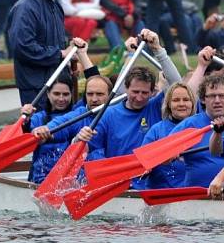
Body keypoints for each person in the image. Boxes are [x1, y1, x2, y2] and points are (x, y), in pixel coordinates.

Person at [78, 30, 182, 189]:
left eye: (144, 93)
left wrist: (158, 50)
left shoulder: (156, 107)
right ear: (126, 89)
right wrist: (80, 140)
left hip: (149, 183)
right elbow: (92, 149)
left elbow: (178, 86)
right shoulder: (108, 114)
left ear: (152, 92)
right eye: (135, 92)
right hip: (117, 184)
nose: (140, 97)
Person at [8, 0, 74, 108]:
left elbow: (57, 41)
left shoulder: (55, 5)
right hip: (35, 86)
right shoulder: (24, 9)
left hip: (58, 82)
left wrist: (67, 61)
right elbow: (23, 47)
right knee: (38, 129)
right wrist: (60, 54)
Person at [169, 75, 224, 187]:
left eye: (221, 96)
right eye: (211, 96)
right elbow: (165, 155)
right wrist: (170, 154)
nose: (217, 101)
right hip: (196, 196)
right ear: (202, 99)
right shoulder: (189, 125)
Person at [140, 82, 196, 189]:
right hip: (160, 191)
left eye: (186, 100)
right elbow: (143, 162)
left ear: (192, 103)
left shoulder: (201, 128)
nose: (181, 104)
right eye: (175, 100)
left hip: (192, 192)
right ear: (168, 105)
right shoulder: (156, 130)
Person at [20, 76, 75, 183]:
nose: (61, 99)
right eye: (56, 94)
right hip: (40, 178)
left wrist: (82, 58)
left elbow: (94, 79)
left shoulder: (78, 115)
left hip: (69, 179)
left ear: (72, 94)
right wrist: (25, 120)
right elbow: (25, 135)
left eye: (66, 94)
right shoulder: (38, 118)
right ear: (48, 94)